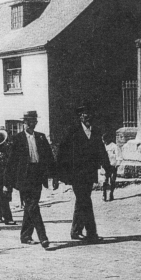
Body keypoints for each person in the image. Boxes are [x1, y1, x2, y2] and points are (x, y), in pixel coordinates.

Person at [3, 111, 58, 250]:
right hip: (24, 178)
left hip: (38, 176)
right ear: (24, 123)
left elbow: (49, 158)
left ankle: (25, 236)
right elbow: (11, 163)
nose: (31, 124)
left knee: (30, 207)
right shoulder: (17, 139)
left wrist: (55, 177)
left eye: (33, 122)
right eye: (28, 122)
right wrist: (6, 184)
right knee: (33, 206)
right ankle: (43, 237)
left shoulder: (41, 137)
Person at [58, 103, 111, 243]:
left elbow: (101, 151)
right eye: (85, 115)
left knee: (82, 201)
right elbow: (62, 153)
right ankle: (91, 233)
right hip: (76, 174)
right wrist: (60, 174)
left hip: (89, 173)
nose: (88, 118)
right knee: (85, 201)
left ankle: (75, 231)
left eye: (90, 115)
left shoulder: (95, 132)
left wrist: (107, 167)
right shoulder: (72, 131)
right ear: (80, 117)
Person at [100, 133, 122, 202]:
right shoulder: (103, 147)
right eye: (103, 140)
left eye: (105, 140)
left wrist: (117, 164)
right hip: (105, 166)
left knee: (112, 180)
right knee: (104, 180)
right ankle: (104, 194)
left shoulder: (114, 146)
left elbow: (119, 157)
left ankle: (111, 193)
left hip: (112, 166)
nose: (104, 141)